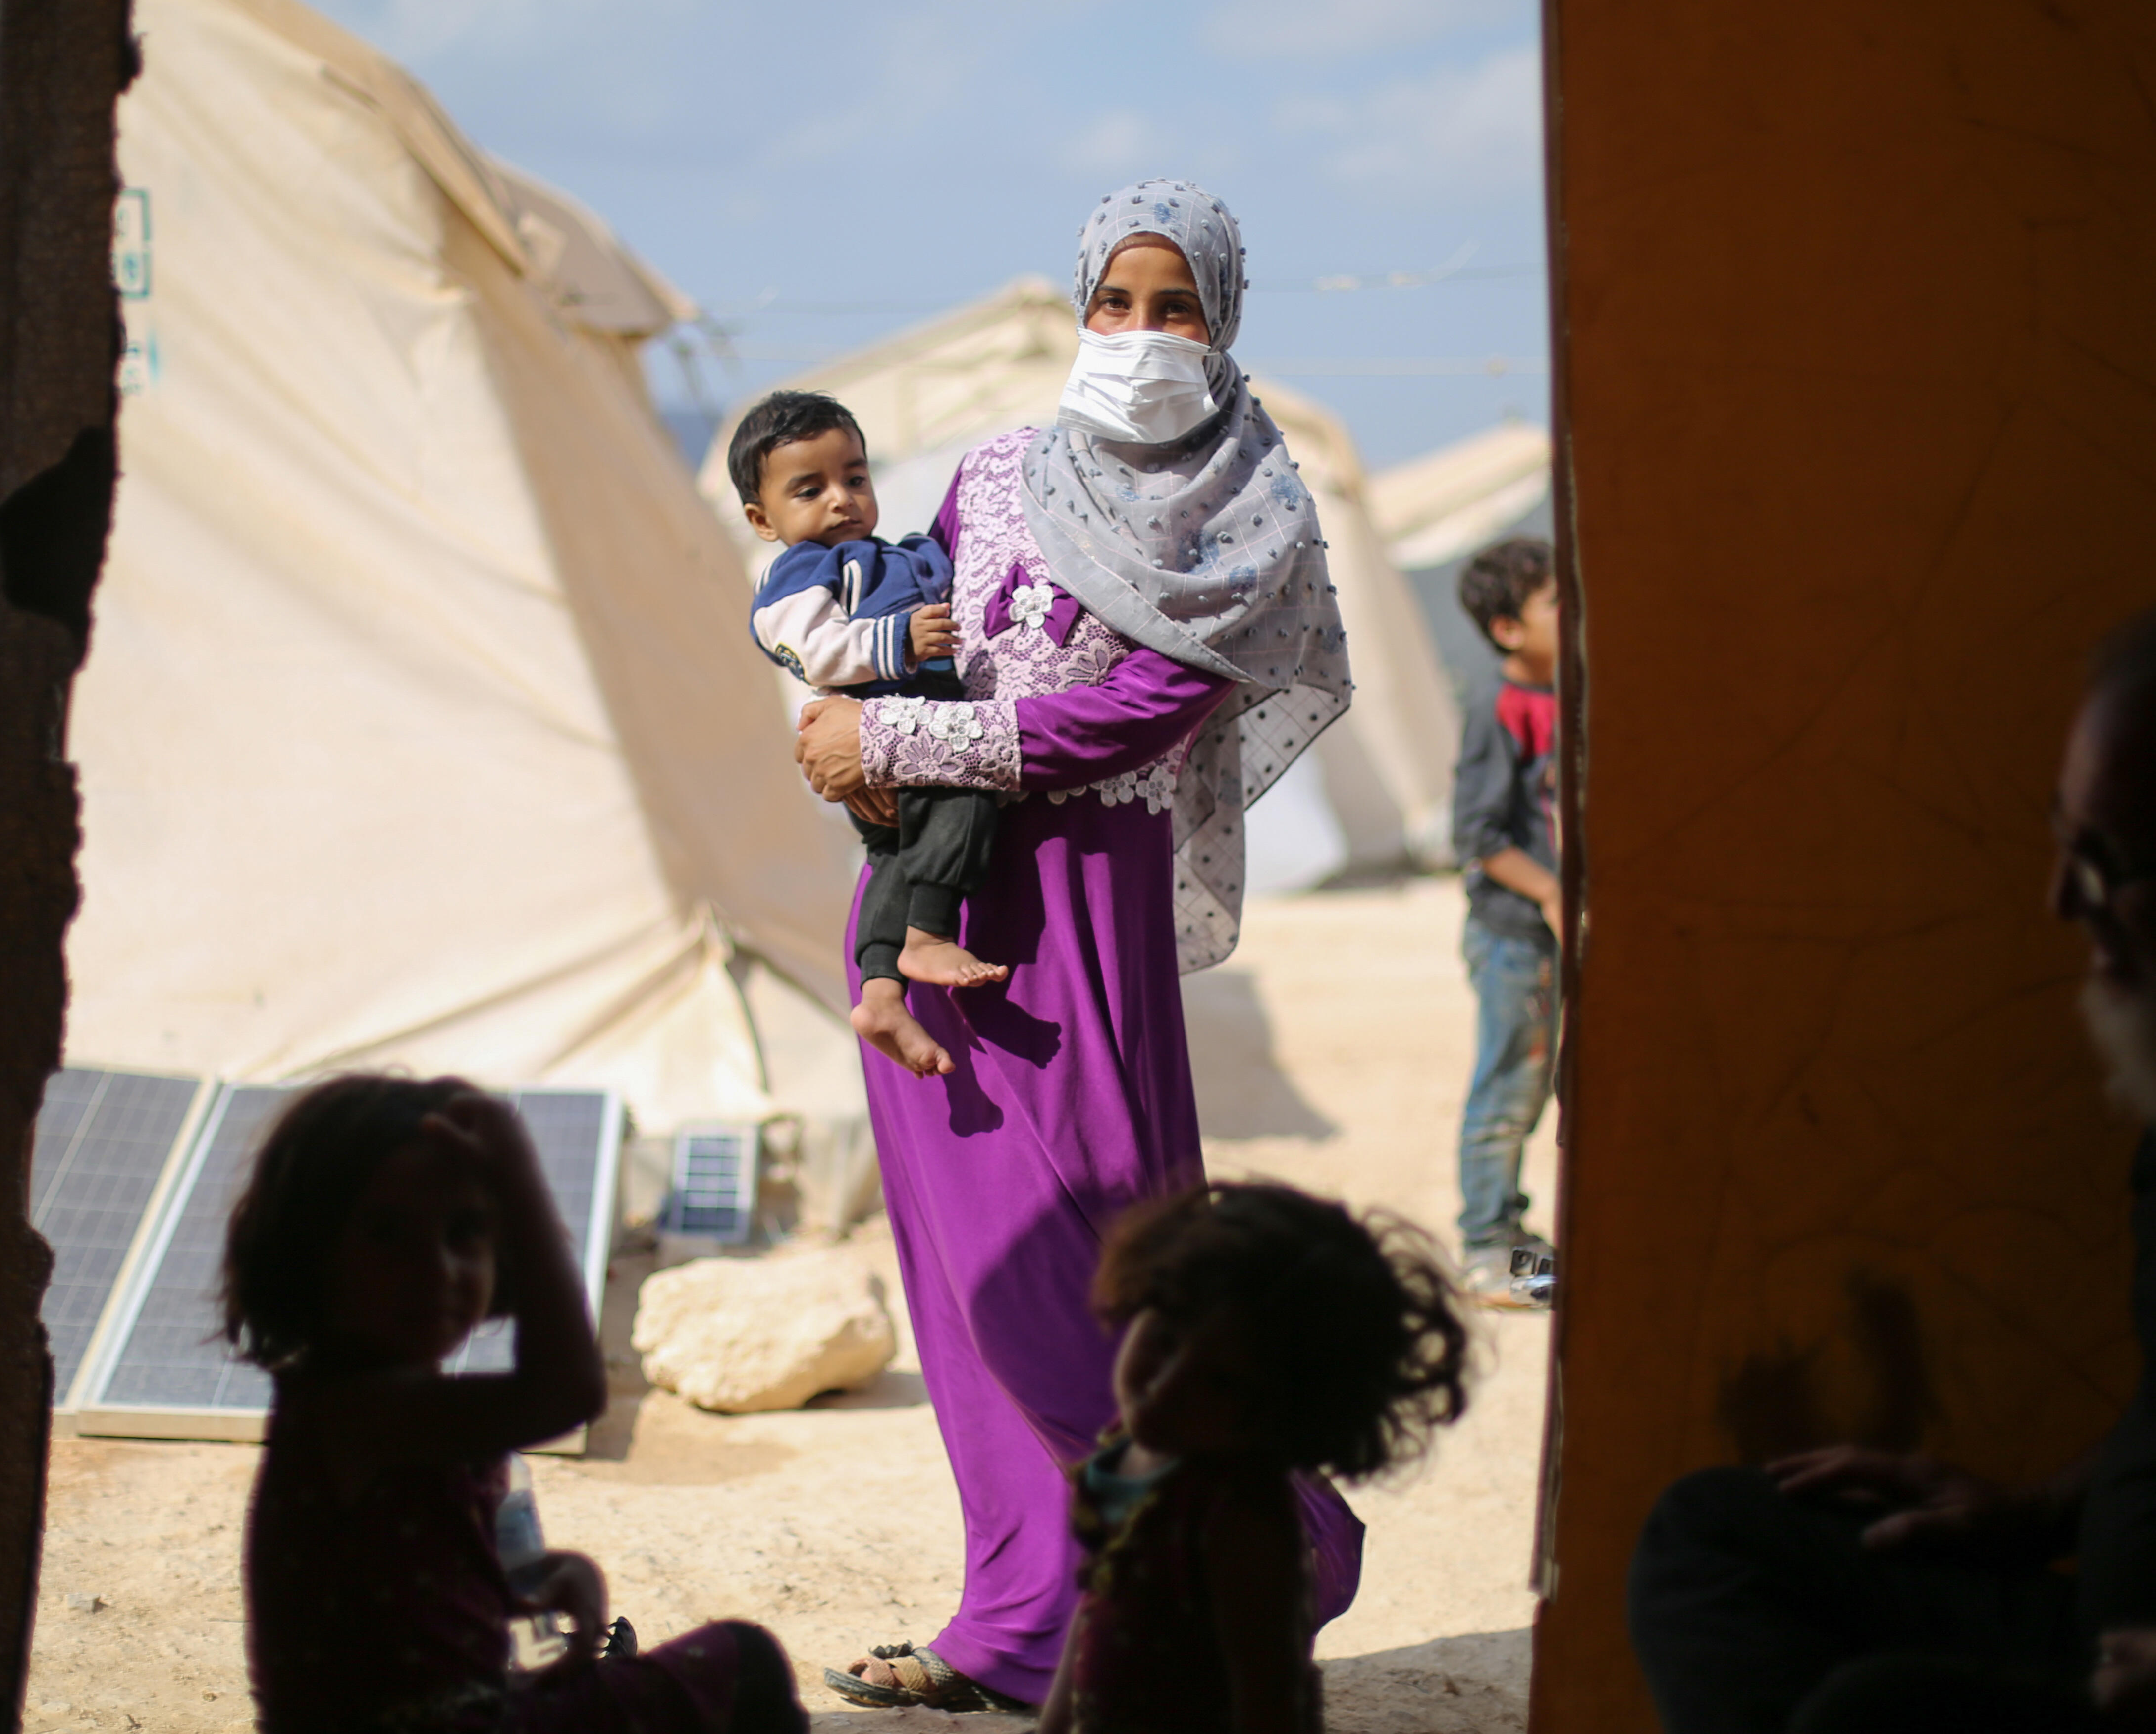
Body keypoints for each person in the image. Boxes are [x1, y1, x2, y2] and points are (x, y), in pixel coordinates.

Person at [1624, 581, 2156, 1733]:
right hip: (2110, 1638)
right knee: (1711, 1535)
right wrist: (2031, 1511)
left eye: (2110, 859)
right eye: (2060, 837)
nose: (2059, 900)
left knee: (1872, 1713)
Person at [791, 178, 1364, 1712]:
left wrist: (894, 728)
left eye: (1173, 306)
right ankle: (1021, 1624)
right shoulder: (993, 473)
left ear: (1222, 319)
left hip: (1082, 910)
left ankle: (1262, 1539)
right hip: (934, 905)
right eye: (1115, 302)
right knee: (969, 1283)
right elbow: (910, 622)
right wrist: (833, 682)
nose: (1139, 335)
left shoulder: (1252, 518)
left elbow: (1138, 712)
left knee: (1101, 1270)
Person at [227, 1074, 808, 1734]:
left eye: (465, 1232)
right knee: (744, 1660)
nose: (435, 1268)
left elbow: (399, 1595)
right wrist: (515, 1172)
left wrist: (536, 1579)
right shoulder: (360, 1409)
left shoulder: (369, 1407)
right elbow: (568, 1392)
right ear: (307, 1248)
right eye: (387, 1233)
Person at [1036, 1183, 1472, 1734]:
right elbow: (1097, 1603)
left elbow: (1268, 1700)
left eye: (1221, 1383)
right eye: (1167, 1337)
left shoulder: (1241, 1522)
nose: (1167, 1388)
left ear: (1287, 1410)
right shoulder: (1133, 1446)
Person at [733, 388, 1007, 1078]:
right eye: (810, 489)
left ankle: (882, 996)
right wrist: (900, 641)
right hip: (895, 728)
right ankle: (931, 934)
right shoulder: (804, 571)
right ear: (763, 519)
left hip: (902, 732)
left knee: (892, 858)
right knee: (965, 796)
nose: (841, 499)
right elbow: (802, 645)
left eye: (854, 478)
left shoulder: (892, 555)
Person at [1447, 536, 1562, 1308]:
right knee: (1509, 1090)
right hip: (1517, 938)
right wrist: (1552, 894)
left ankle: (1525, 1245)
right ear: (1508, 629)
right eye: (1559, 602)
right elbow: (1479, 836)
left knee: (1545, 1087)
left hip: (1556, 938)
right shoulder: (1499, 710)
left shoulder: (1570, 696)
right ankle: (1488, 1248)